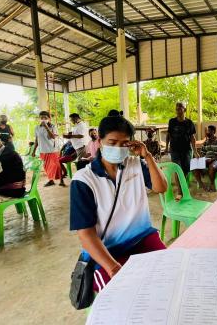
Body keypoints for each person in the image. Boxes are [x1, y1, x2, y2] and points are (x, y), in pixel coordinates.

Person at [69, 116, 167, 292]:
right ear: (99, 141)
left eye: (124, 144)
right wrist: (113, 268)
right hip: (107, 251)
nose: (118, 148)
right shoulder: (83, 180)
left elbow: (161, 187)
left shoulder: (136, 164)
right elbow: (86, 234)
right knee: (121, 296)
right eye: (112, 142)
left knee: (166, 277)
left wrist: (148, 156)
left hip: (142, 239)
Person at [166, 102, 199, 177]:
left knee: (186, 170)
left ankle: (182, 185)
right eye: (177, 109)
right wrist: (166, 147)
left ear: (184, 110)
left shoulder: (189, 123)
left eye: (180, 109)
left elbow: (192, 138)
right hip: (174, 150)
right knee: (177, 169)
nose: (178, 111)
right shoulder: (172, 122)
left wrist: (195, 152)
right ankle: (179, 189)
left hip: (186, 150)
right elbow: (168, 135)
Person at [32, 111, 61, 187]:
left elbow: (53, 137)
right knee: (46, 167)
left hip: (52, 150)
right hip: (42, 150)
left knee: (54, 166)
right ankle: (51, 180)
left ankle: (61, 180)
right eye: (42, 118)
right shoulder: (37, 128)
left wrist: (46, 127)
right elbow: (36, 140)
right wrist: (34, 150)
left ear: (49, 118)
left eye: (45, 118)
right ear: (39, 118)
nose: (43, 119)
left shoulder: (53, 127)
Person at [193, 125, 217, 192]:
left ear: (213, 131)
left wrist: (212, 159)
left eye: (209, 131)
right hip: (206, 160)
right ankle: (201, 183)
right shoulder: (206, 143)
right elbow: (202, 153)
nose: (207, 132)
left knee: (212, 167)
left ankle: (212, 184)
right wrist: (203, 159)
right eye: (207, 131)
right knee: (194, 165)